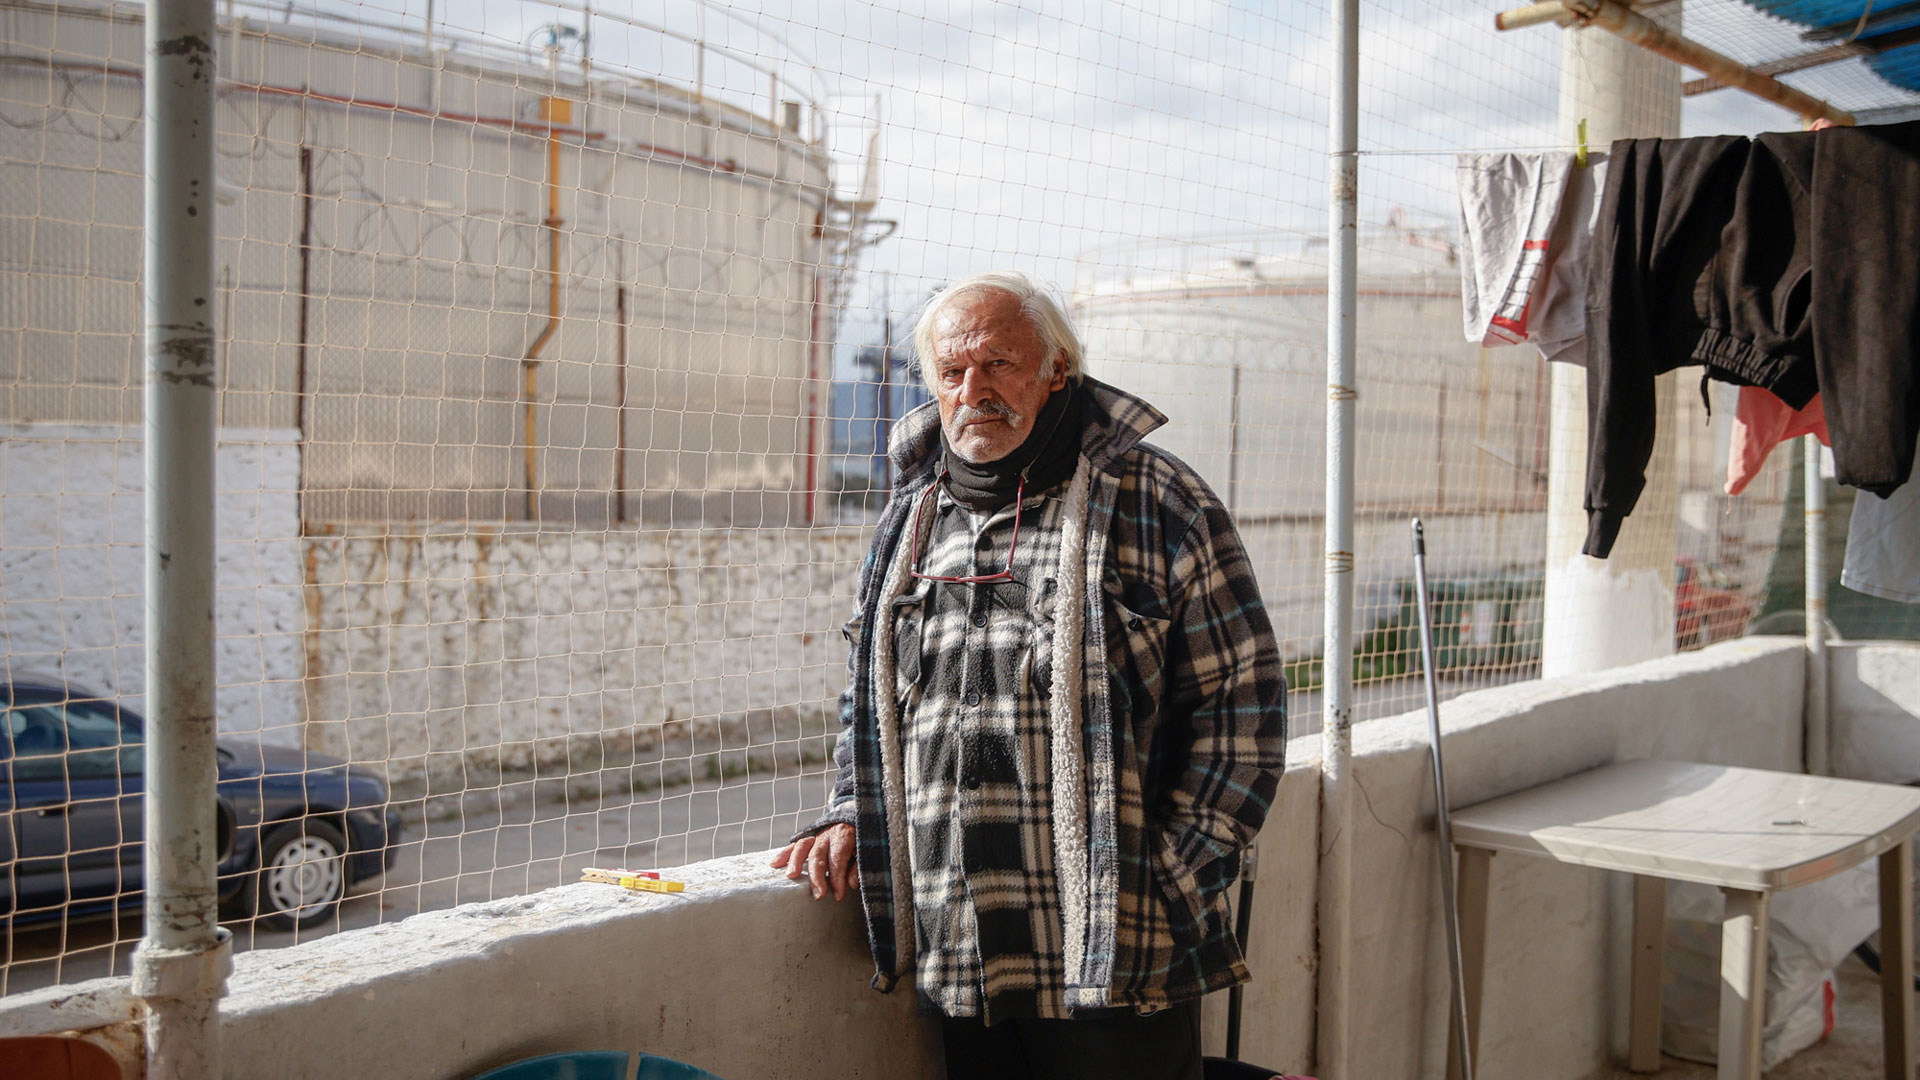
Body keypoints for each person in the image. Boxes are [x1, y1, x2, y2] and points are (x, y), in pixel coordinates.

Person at [771, 271, 1287, 1080]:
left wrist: (1169, 882)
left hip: (1115, 952)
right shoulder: (912, 517)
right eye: (952, 372)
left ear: (1057, 371)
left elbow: (1243, 710)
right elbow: (866, 698)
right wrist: (847, 810)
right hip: (962, 947)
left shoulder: (1156, 500)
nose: (973, 390)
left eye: (998, 364)